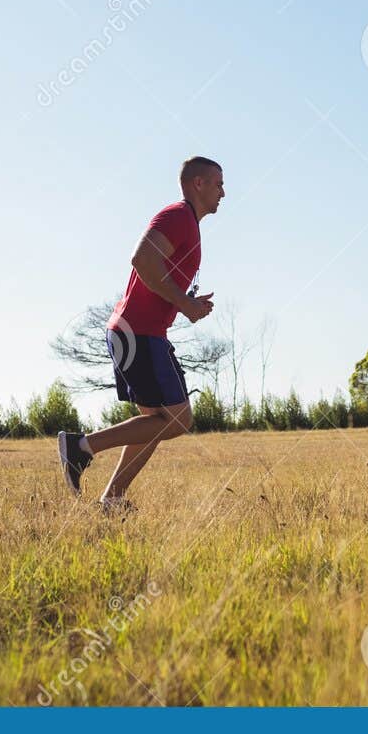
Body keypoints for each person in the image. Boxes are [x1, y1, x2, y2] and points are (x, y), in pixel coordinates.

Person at [58, 157, 224, 512]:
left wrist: (185, 303)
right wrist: (183, 303)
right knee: (178, 420)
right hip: (138, 332)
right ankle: (81, 447)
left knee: (154, 423)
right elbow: (143, 259)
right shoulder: (178, 216)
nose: (223, 192)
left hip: (142, 332)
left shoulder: (188, 224)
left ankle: (112, 498)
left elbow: (155, 274)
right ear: (197, 184)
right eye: (217, 183)